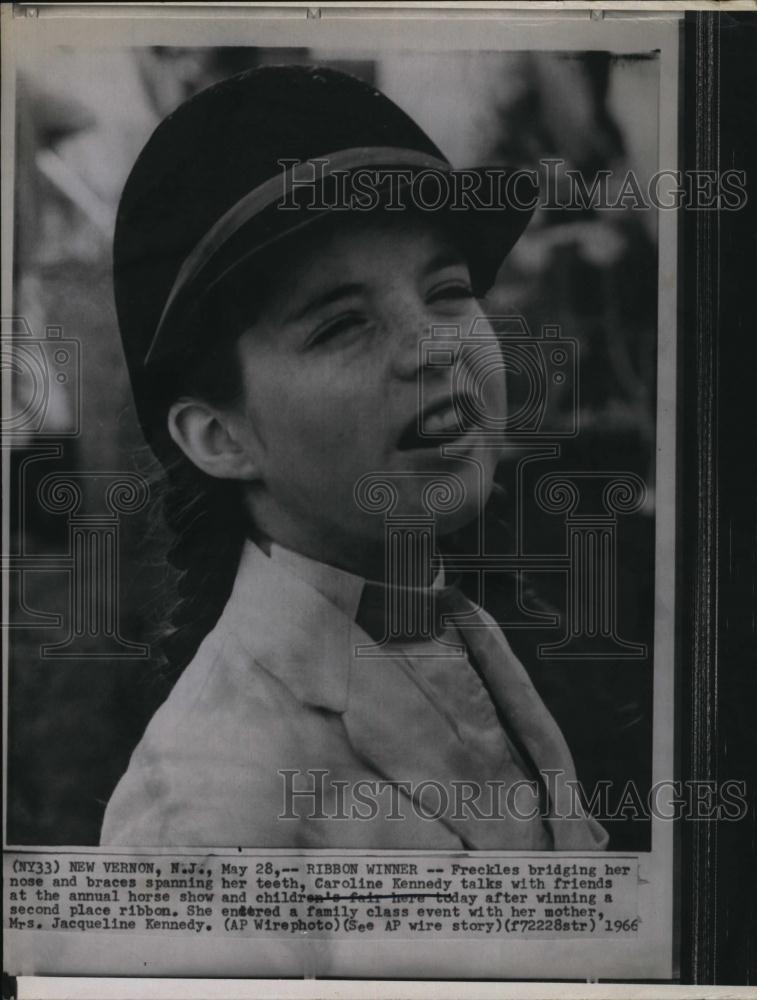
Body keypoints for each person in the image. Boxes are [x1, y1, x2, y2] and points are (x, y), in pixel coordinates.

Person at [101, 64, 607, 851]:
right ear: (219, 437)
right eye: (339, 325)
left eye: (448, 291)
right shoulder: (200, 809)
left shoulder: (471, 635)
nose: (433, 346)